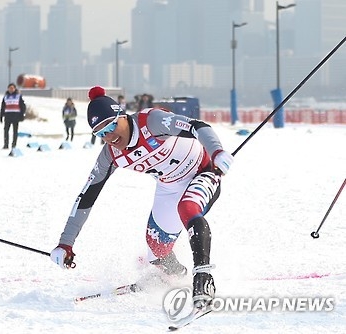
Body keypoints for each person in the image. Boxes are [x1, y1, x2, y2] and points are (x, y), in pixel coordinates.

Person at [50, 86, 234, 309]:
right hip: (170, 186)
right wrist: (65, 243)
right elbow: (86, 196)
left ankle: (203, 276)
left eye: (111, 126)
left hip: (203, 170)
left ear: (122, 115)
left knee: (187, 207)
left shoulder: (152, 122)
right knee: (156, 250)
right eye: (100, 133)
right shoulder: (110, 155)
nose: (109, 136)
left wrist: (217, 152)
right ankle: (176, 277)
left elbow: (198, 126)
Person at [0, 83, 26, 149]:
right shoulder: (5, 97)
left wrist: (22, 115)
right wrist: (1, 116)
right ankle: (6, 145)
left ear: (14, 89)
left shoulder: (18, 96)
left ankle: (14, 145)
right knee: (6, 131)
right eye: (9, 88)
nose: (11, 89)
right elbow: (2, 107)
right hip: (7, 116)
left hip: (15, 116)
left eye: (12, 88)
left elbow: (23, 106)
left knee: (15, 131)